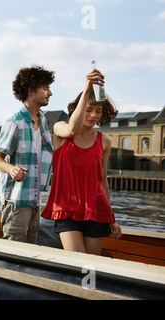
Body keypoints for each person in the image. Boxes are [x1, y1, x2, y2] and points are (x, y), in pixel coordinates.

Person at [41, 68, 122, 255]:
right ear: (79, 107)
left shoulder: (105, 141)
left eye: (98, 111)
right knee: (77, 262)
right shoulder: (60, 129)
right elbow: (72, 131)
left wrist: (111, 217)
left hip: (96, 209)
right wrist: (87, 89)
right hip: (66, 209)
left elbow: (103, 181)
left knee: (91, 266)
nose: (93, 115)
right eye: (88, 110)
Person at [0, 66, 55, 243]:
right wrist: (12, 169)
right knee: (15, 252)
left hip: (34, 199)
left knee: (31, 249)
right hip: (16, 200)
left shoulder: (42, 121)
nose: (50, 93)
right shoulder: (15, 122)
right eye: (45, 88)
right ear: (30, 91)